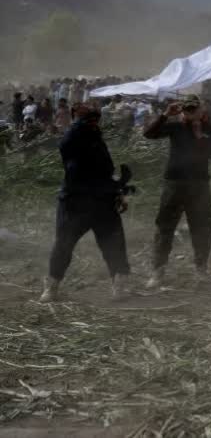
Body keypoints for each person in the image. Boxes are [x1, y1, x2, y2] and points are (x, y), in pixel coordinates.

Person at [40, 105, 132, 302]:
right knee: (64, 244)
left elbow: (104, 171)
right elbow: (72, 156)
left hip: (101, 201)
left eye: (94, 119)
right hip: (77, 202)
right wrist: (80, 123)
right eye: (90, 119)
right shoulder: (74, 138)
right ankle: (51, 287)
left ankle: (119, 286)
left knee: (113, 244)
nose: (93, 123)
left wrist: (118, 190)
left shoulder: (94, 138)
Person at [143, 96, 211, 288]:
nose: (190, 111)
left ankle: (201, 269)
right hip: (175, 182)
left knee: (201, 227)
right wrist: (165, 115)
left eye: (194, 108)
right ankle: (158, 272)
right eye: (187, 108)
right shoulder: (176, 127)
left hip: (199, 184)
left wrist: (199, 135)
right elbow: (149, 134)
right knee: (164, 227)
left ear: (202, 110)